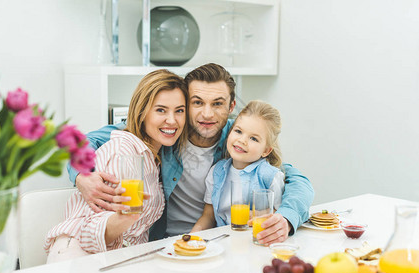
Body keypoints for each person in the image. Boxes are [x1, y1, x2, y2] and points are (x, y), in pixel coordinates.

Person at [68, 63, 314, 246]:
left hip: (217, 240)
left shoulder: (238, 139)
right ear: (186, 102)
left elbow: (294, 178)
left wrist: (286, 218)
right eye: (197, 103)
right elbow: (85, 141)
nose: (207, 114)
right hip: (161, 241)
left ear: (230, 108)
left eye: (217, 104)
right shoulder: (167, 131)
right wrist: (81, 176)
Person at [44, 69, 188, 262]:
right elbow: (88, 231)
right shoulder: (124, 151)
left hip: (120, 257)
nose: (172, 120)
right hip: (79, 257)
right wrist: (124, 219)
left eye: (179, 110)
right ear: (142, 112)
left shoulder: (155, 155)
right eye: (160, 110)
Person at [191, 100, 285, 232]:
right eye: (238, 131)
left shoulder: (270, 176)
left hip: (256, 241)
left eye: (254, 139)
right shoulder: (217, 172)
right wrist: (192, 237)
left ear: (266, 151)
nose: (242, 140)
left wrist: (260, 216)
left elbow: (280, 214)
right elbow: (208, 215)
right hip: (223, 242)